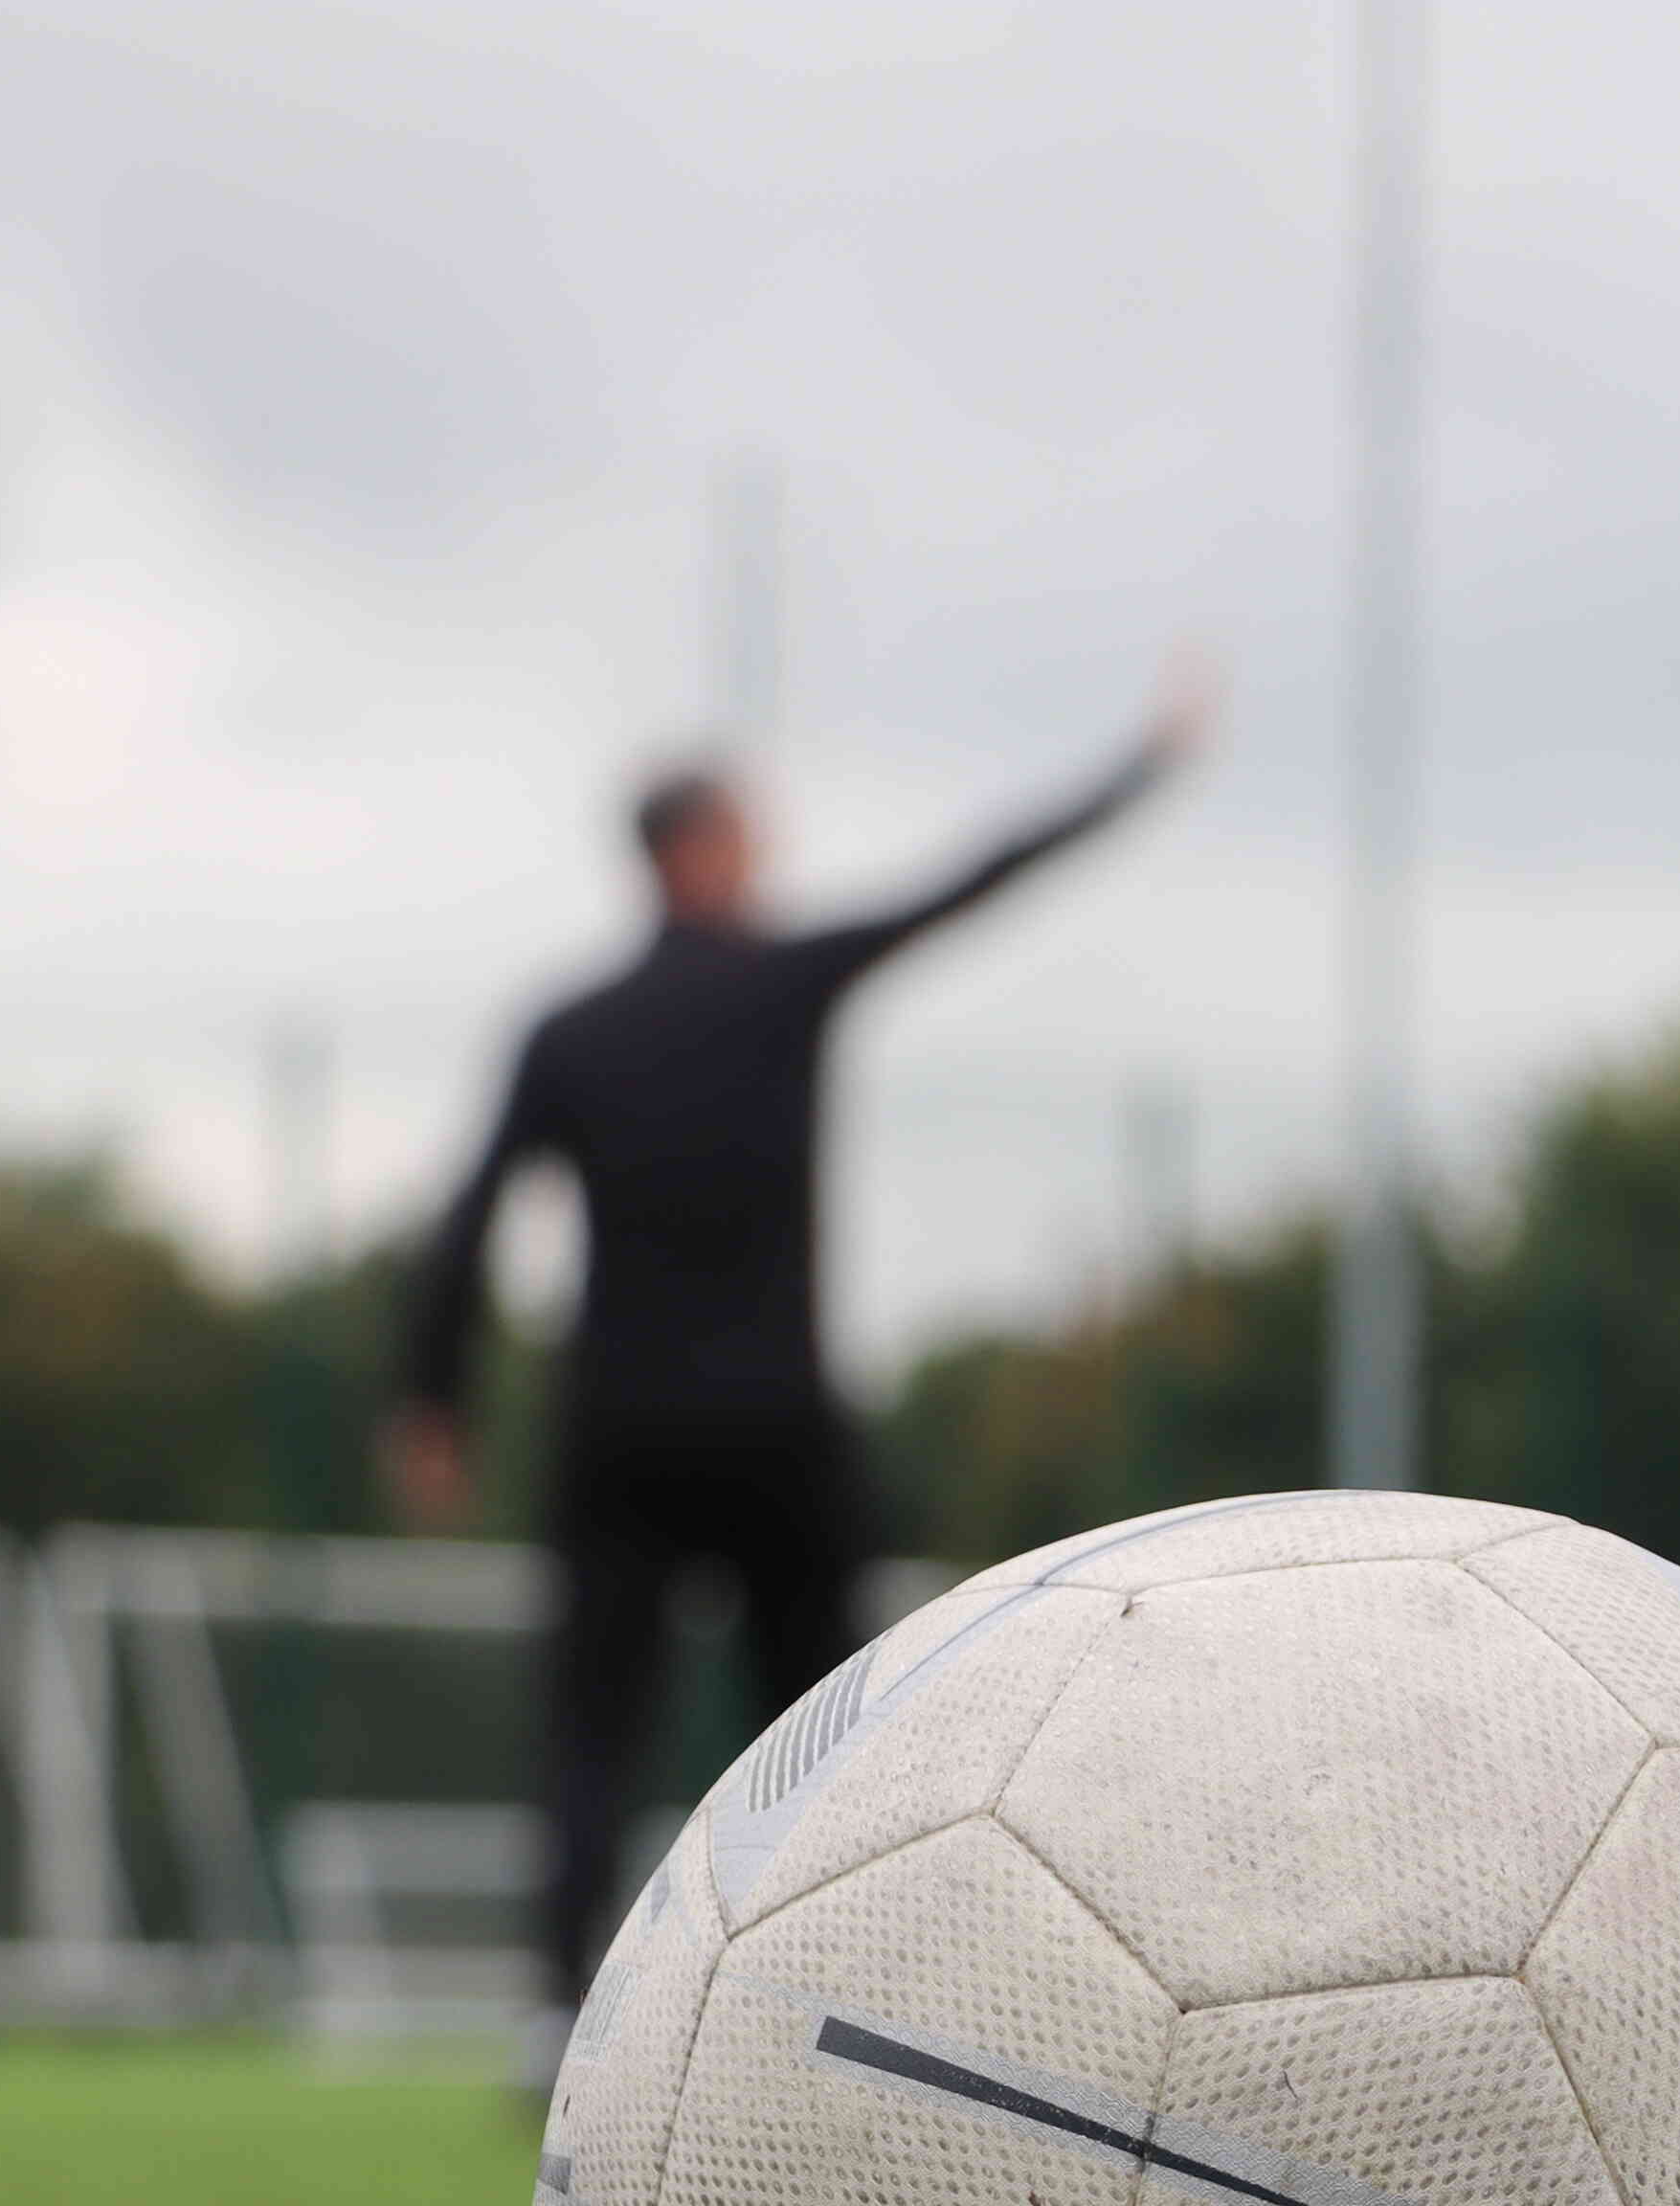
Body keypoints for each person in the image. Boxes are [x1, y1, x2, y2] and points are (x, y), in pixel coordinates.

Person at [390, 650, 1217, 2049]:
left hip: (621, 1432)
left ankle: (557, 2019)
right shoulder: (784, 982)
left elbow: (466, 1221)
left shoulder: (573, 1029)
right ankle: (857, 2001)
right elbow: (977, 877)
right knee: (829, 1729)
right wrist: (1141, 767)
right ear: (705, 846)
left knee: (591, 1722)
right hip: (775, 1422)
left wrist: (431, 1399)